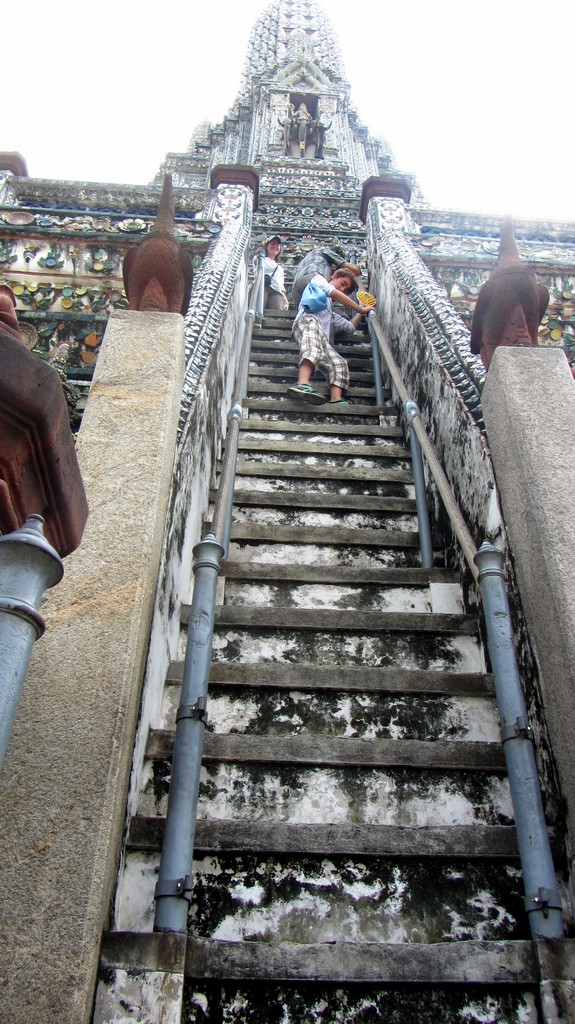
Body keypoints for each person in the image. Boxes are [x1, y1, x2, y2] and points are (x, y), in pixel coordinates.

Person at [287, 268, 375, 405]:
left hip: (322, 336)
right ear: (334, 276)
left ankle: (336, 399)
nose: (342, 289)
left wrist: (362, 312)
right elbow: (332, 292)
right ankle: (302, 384)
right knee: (313, 347)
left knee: (339, 363)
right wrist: (360, 308)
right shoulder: (318, 280)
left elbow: (350, 327)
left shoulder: (329, 311)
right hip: (307, 321)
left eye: (346, 290)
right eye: (343, 283)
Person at [291, 246, 362, 308]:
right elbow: (356, 270)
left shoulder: (318, 261)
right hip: (310, 279)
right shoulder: (324, 252)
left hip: (298, 294)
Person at [254, 235, 289, 311]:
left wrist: (286, 301)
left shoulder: (280, 268)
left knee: (276, 314)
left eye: (277, 245)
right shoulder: (260, 259)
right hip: (263, 287)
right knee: (257, 311)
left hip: (277, 292)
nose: (275, 246)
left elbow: (281, 286)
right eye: (272, 244)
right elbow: (257, 263)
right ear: (267, 246)